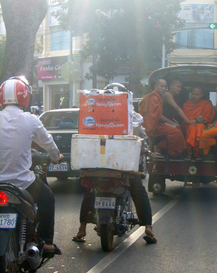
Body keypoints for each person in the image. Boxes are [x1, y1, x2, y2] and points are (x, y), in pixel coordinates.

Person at [72, 82, 157, 244]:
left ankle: (82, 228)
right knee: (139, 192)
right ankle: (148, 227)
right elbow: (142, 140)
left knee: (90, 192)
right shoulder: (134, 117)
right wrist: (145, 149)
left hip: (98, 165)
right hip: (123, 166)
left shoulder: (94, 114)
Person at [0, 76, 64, 255]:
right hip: (23, 184)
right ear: (24, 98)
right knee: (47, 198)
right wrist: (56, 156)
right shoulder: (30, 119)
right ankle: (47, 242)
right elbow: (48, 142)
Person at [139, 78, 187, 158]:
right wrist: (171, 123)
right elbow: (158, 116)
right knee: (176, 132)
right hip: (153, 126)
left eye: (165, 87)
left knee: (181, 129)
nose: (164, 88)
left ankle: (160, 148)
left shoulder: (159, 97)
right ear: (155, 86)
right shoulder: (153, 97)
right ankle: (173, 153)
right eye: (161, 86)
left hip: (157, 123)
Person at [182, 86, 215, 159]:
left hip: (203, 124)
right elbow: (185, 118)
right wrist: (194, 119)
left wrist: (202, 119)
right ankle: (189, 152)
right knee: (192, 127)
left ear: (202, 95)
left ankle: (200, 152)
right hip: (189, 124)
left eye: (197, 95)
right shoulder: (187, 104)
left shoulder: (206, 104)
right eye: (193, 94)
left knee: (201, 127)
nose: (194, 96)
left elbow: (209, 118)